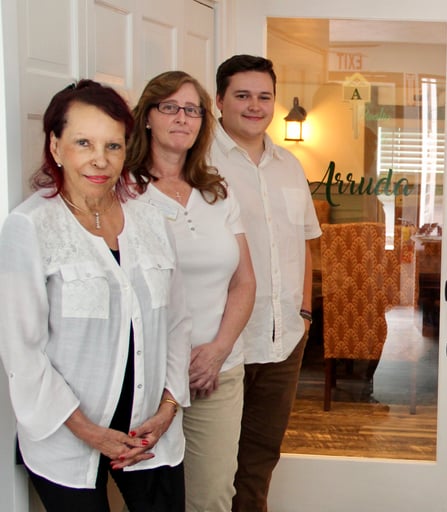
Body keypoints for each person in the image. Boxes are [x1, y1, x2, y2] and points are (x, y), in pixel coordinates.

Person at [0, 80, 190, 511]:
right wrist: (90, 432)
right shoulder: (29, 227)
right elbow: (23, 353)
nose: (100, 160)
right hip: (68, 439)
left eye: (113, 146)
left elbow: (177, 323)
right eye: (83, 142)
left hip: (152, 432)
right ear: (55, 145)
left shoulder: (152, 221)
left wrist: (169, 407)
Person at [127, 70, 256, 511]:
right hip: (146, 377)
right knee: (147, 499)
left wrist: (219, 349)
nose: (182, 118)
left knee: (212, 498)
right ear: (147, 116)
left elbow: (244, 282)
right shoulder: (124, 192)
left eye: (192, 110)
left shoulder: (216, 190)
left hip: (213, 374)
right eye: (170, 107)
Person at [209, 54, 322, 511]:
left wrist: (305, 314)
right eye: (242, 96)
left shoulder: (288, 165)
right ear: (219, 100)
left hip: (284, 342)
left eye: (263, 96)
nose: (255, 106)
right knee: (214, 469)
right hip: (222, 342)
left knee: (259, 460)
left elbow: (304, 244)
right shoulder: (199, 162)